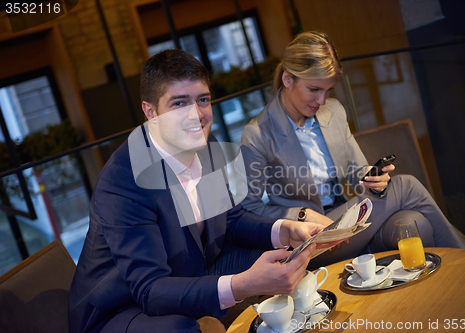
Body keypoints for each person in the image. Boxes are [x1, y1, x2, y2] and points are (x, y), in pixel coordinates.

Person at [68, 49, 325, 333]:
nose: (196, 114)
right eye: (179, 103)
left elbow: (231, 220)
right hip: (121, 308)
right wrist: (243, 284)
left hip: (191, 269)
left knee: (287, 255)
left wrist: (285, 229)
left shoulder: (206, 145)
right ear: (151, 112)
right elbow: (150, 290)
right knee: (181, 329)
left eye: (202, 100)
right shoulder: (124, 180)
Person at [239, 31, 465, 267]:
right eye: (314, 89)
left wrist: (372, 178)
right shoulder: (257, 133)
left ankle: (448, 292)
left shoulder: (334, 111)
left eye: (328, 90)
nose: (321, 101)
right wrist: (300, 215)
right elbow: (249, 210)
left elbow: (357, 172)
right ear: (288, 79)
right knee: (406, 186)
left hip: (349, 223)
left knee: (415, 224)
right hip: (310, 239)